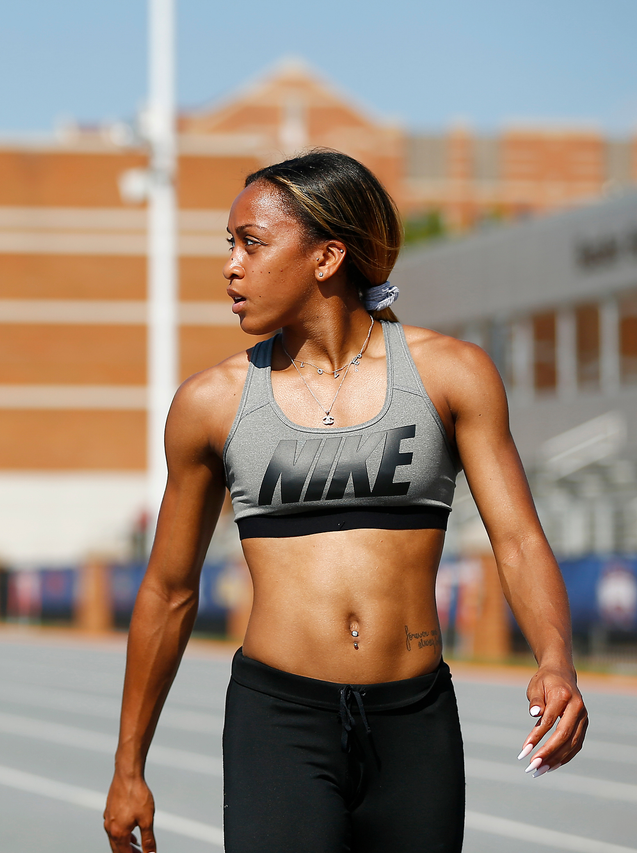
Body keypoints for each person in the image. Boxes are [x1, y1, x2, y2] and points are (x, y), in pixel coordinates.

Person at [104, 150, 587, 853]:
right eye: (229, 244)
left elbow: (516, 539)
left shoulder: (453, 374)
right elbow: (169, 590)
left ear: (327, 256)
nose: (230, 265)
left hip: (413, 721)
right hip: (280, 721)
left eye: (252, 243)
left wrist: (554, 657)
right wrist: (128, 765)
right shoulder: (210, 403)